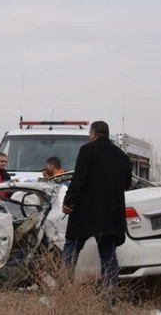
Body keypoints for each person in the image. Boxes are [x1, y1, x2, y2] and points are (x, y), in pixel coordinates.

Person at [61, 121, 132, 301]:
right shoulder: (122, 156)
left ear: (93, 134)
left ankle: (64, 290)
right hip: (110, 214)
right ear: (107, 134)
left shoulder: (87, 151)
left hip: (84, 212)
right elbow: (127, 184)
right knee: (108, 254)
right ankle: (110, 294)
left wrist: (68, 201)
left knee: (71, 249)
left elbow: (79, 179)